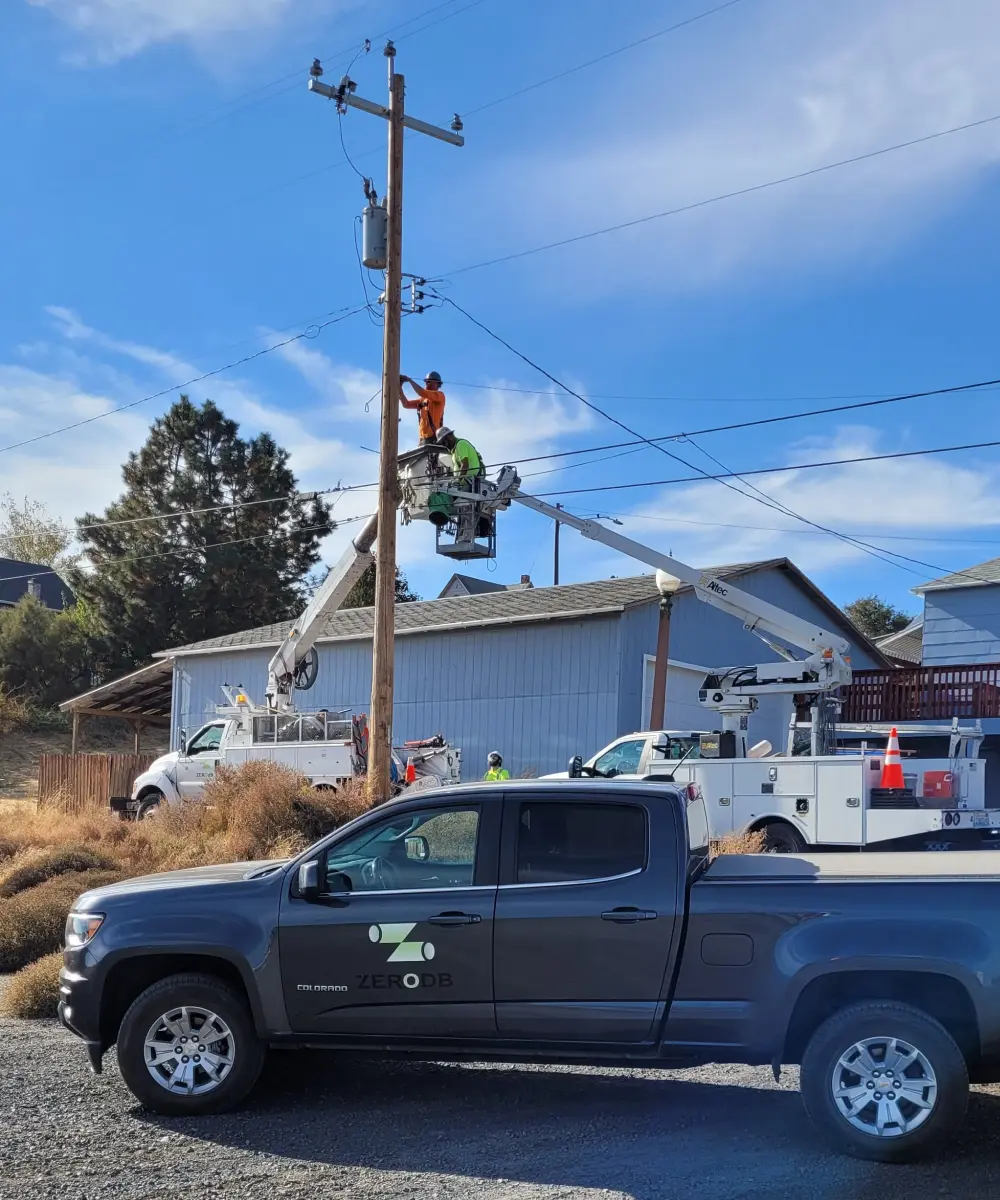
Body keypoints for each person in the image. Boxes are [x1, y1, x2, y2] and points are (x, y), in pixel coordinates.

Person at [400, 370, 446, 445]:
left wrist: (409, 380)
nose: (426, 384)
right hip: (423, 441)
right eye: (426, 382)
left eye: (429, 381)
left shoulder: (440, 396)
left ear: (437, 383)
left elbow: (421, 392)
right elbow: (406, 404)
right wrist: (399, 388)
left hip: (433, 440)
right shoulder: (423, 400)